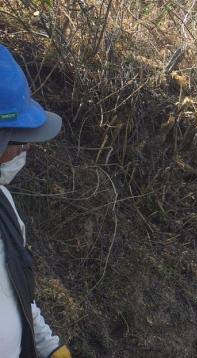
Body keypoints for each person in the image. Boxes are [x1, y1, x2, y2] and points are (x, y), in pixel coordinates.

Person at [0, 45, 71, 358]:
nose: (26, 148)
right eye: (16, 141)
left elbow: (14, 292)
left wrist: (48, 346)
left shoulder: (4, 204)